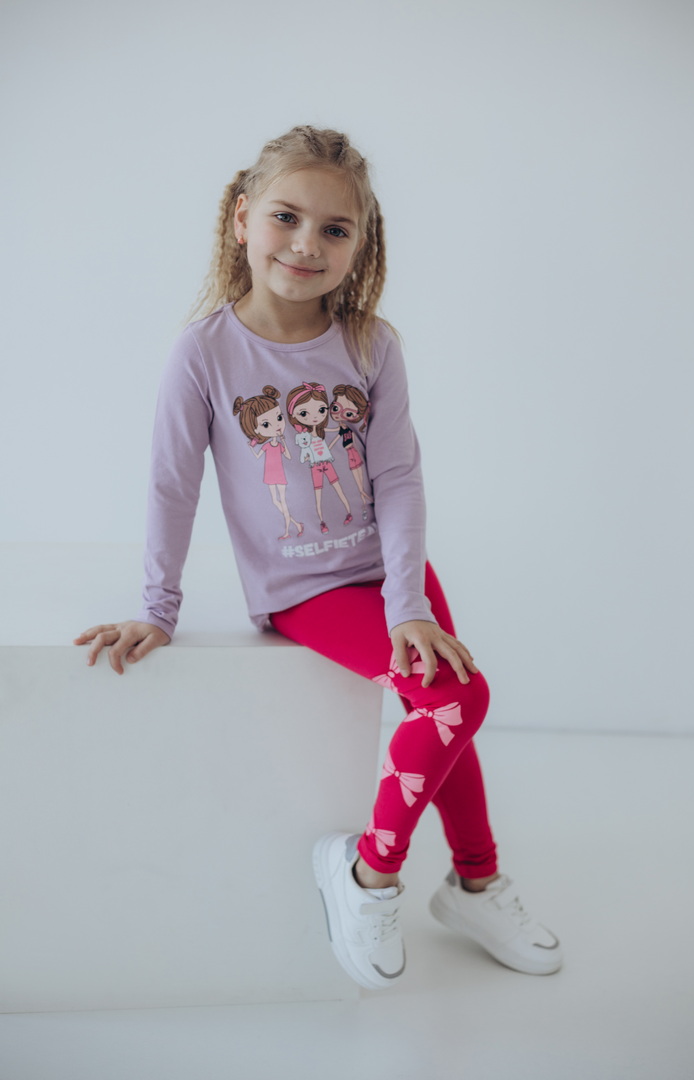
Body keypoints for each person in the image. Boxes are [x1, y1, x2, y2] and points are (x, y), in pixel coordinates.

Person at [74, 125, 562, 991]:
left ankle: (471, 884)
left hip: (397, 578)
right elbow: (171, 485)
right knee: (458, 699)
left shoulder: (373, 344)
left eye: (335, 229)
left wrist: (408, 603)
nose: (306, 244)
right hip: (305, 588)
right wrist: (157, 609)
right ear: (242, 219)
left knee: (444, 704)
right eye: (286, 217)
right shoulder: (204, 354)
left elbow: (399, 477)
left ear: (359, 245)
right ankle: (371, 873)